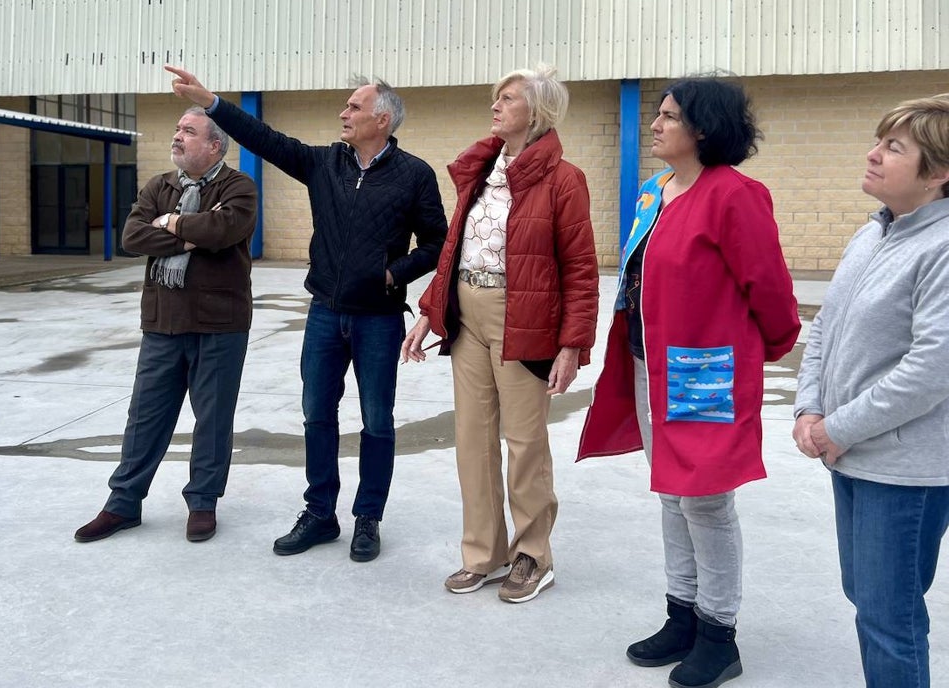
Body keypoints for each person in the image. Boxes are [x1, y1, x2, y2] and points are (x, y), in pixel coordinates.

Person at [164, 65, 448, 562]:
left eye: (354, 106)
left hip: (379, 319)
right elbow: (265, 138)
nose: (344, 112)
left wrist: (391, 275)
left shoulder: (415, 176)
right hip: (324, 315)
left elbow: (437, 244)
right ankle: (320, 514)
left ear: (382, 120)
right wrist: (212, 103)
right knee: (317, 415)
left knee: (377, 422)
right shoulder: (324, 165)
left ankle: (367, 518)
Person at [577, 77, 799, 688]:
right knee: (672, 493)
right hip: (648, 363)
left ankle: (718, 633)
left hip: (702, 370)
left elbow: (771, 289)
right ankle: (682, 614)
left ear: (702, 129)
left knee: (705, 501)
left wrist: (771, 345)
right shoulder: (656, 190)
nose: (655, 125)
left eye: (669, 116)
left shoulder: (736, 195)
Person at [400, 65, 598, 603]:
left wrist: (572, 344)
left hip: (524, 317)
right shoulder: (481, 172)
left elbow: (580, 266)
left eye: (507, 99)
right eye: (496, 97)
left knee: (525, 441)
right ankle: (482, 554)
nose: (496, 105)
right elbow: (453, 249)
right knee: (473, 440)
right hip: (468, 312)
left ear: (536, 112)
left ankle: (533, 554)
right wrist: (429, 312)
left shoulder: (564, 179)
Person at [793, 94, 949, 688]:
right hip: (853, 453)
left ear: (937, 173)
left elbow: (932, 369)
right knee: (867, 595)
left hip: (904, 470)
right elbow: (826, 326)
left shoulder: (941, 247)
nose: (873, 154)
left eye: (894, 147)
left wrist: (836, 427)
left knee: (891, 615)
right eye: (879, 140)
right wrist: (810, 406)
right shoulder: (873, 233)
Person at [74, 107, 257, 545]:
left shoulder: (239, 188)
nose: (177, 136)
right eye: (176, 129)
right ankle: (122, 504)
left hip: (219, 324)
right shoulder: (159, 185)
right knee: (146, 416)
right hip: (162, 321)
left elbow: (224, 228)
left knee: (212, 419)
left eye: (188, 131)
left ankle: (202, 503)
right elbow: (133, 236)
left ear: (214, 145)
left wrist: (173, 223)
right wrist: (193, 235)